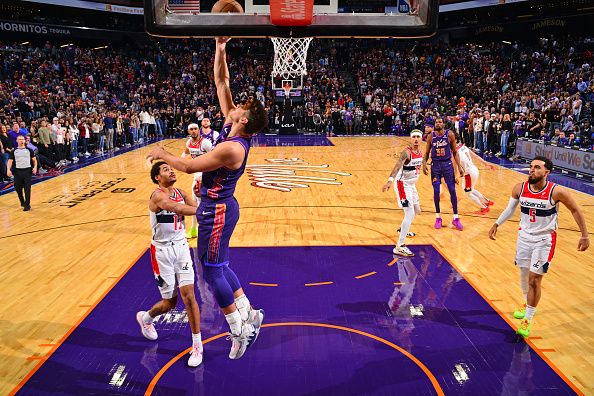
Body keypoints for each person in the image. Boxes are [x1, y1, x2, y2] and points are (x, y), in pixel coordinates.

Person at [147, 37, 267, 360]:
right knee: (221, 265)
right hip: (222, 206)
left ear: (243, 120)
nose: (237, 104)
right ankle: (250, 312)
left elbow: (186, 165)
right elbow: (221, 80)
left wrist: (162, 153)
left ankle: (239, 330)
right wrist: (220, 45)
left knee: (212, 272)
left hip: (216, 212)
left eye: (243, 107)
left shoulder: (231, 147)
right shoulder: (236, 125)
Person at [488, 156, 589, 337]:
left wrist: (584, 235)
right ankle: (527, 302)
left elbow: (575, 210)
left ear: (546, 172)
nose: (531, 170)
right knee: (523, 275)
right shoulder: (520, 188)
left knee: (535, 279)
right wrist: (496, 224)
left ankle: (528, 319)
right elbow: (510, 209)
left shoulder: (557, 192)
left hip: (545, 240)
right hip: (524, 237)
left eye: (536, 167)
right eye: (531, 166)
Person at [137, 160, 203, 367]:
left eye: (171, 168)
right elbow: (172, 207)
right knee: (170, 304)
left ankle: (197, 346)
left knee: (189, 297)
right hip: (161, 252)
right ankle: (147, 318)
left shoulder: (182, 193)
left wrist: (204, 202)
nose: (171, 171)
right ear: (157, 177)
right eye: (166, 169)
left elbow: (195, 209)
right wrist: (201, 210)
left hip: (182, 248)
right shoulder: (157, 195)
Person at [382, 129, 424, 256]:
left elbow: (420, 162)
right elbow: (397, 166)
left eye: (418, 137)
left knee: (417, 211)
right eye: (414, 137)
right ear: (410, 139)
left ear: (421, 139)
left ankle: (404, 229)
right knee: (409, 212)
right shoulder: (407, 152)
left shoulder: (420, 151)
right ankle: (399, 246)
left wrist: (425, 167)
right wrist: (389, 181)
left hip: (412, 184)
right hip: (402, 184)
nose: (416, 139)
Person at [422, 117, 464, 230]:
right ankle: (438, 217)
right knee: (436, 192)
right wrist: (424, 164)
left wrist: (459, 168)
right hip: (435, 166)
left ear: (443, 124)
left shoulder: (449, 135)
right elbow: (426, 152)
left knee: (452, 191)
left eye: (440, 122)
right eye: (436, 122)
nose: (438, 123)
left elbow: (455, 152)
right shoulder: (431, 136)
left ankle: (456, 218)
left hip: (447, 165)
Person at [182, 119, 219, 239]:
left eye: (195, 129)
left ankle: (204, 228)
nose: (193, 131)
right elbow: (186, 152)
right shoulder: (188, 143)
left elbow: (215, 156)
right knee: (194, 202)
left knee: (202, 203)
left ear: (199, 130)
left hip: (206, 175)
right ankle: (194, 229)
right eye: (191, 129)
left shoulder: (205, 143)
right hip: (196, 175)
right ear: (188, 131)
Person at [455, 135, 495, 214]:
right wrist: (486, 164)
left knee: (467, 193)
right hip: (474, 169)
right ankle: (486, 201)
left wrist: (455, 176)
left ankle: (484, 207)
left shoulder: (454, 152)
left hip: (468, 174)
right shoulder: (464, 147)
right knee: (470, 189)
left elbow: (454, 167)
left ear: (455, 140)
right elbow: (476, 156)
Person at [6, 135, 37, 211]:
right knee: (18, 188)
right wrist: (8, 170)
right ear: (17, 141)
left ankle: (27, 205)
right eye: (20, 139)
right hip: (17, 172)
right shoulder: (14, 151)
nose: (21, 140)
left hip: (27, 171)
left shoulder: (29, 150)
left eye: (22, 139)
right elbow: (10, 161)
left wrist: (35, 167)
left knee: (27, 189)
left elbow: (34, 160)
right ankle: (22, 201)